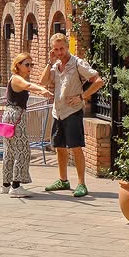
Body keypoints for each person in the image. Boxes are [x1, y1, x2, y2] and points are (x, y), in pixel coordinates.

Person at [41, 32, 103, 198]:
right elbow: (43, 82)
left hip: (72, 112)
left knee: (75, 147)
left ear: (67, 47)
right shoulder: (54, 65)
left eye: (62, 48)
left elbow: (98, 81)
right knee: (59, 147)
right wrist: (50, 62)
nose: (60, 52)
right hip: (58, 112)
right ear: (52, 50)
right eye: (56, 49)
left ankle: (81, 183)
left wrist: (82, 96)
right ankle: (63, 180)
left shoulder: (77, 63)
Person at [0, 53, 53, 197]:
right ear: (18, 65)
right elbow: (28, 86)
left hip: (10, 115)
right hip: (15, 116)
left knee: (10, 150)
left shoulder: (16, 78)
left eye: (31, 64)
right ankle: (16, 186)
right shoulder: (17, 79)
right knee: (23, 150)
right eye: (27, 64)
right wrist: (42, 90)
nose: (30, 67)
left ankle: (6, 184)